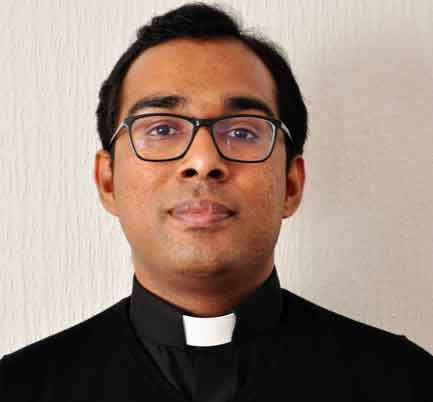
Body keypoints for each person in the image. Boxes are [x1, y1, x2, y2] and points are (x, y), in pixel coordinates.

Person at [1, 3, 431, 401]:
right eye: (162, 129)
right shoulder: (20, 388)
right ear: (108, 180)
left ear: (291, 184)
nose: (204, 161)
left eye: (242, 132)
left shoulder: (405, 382)